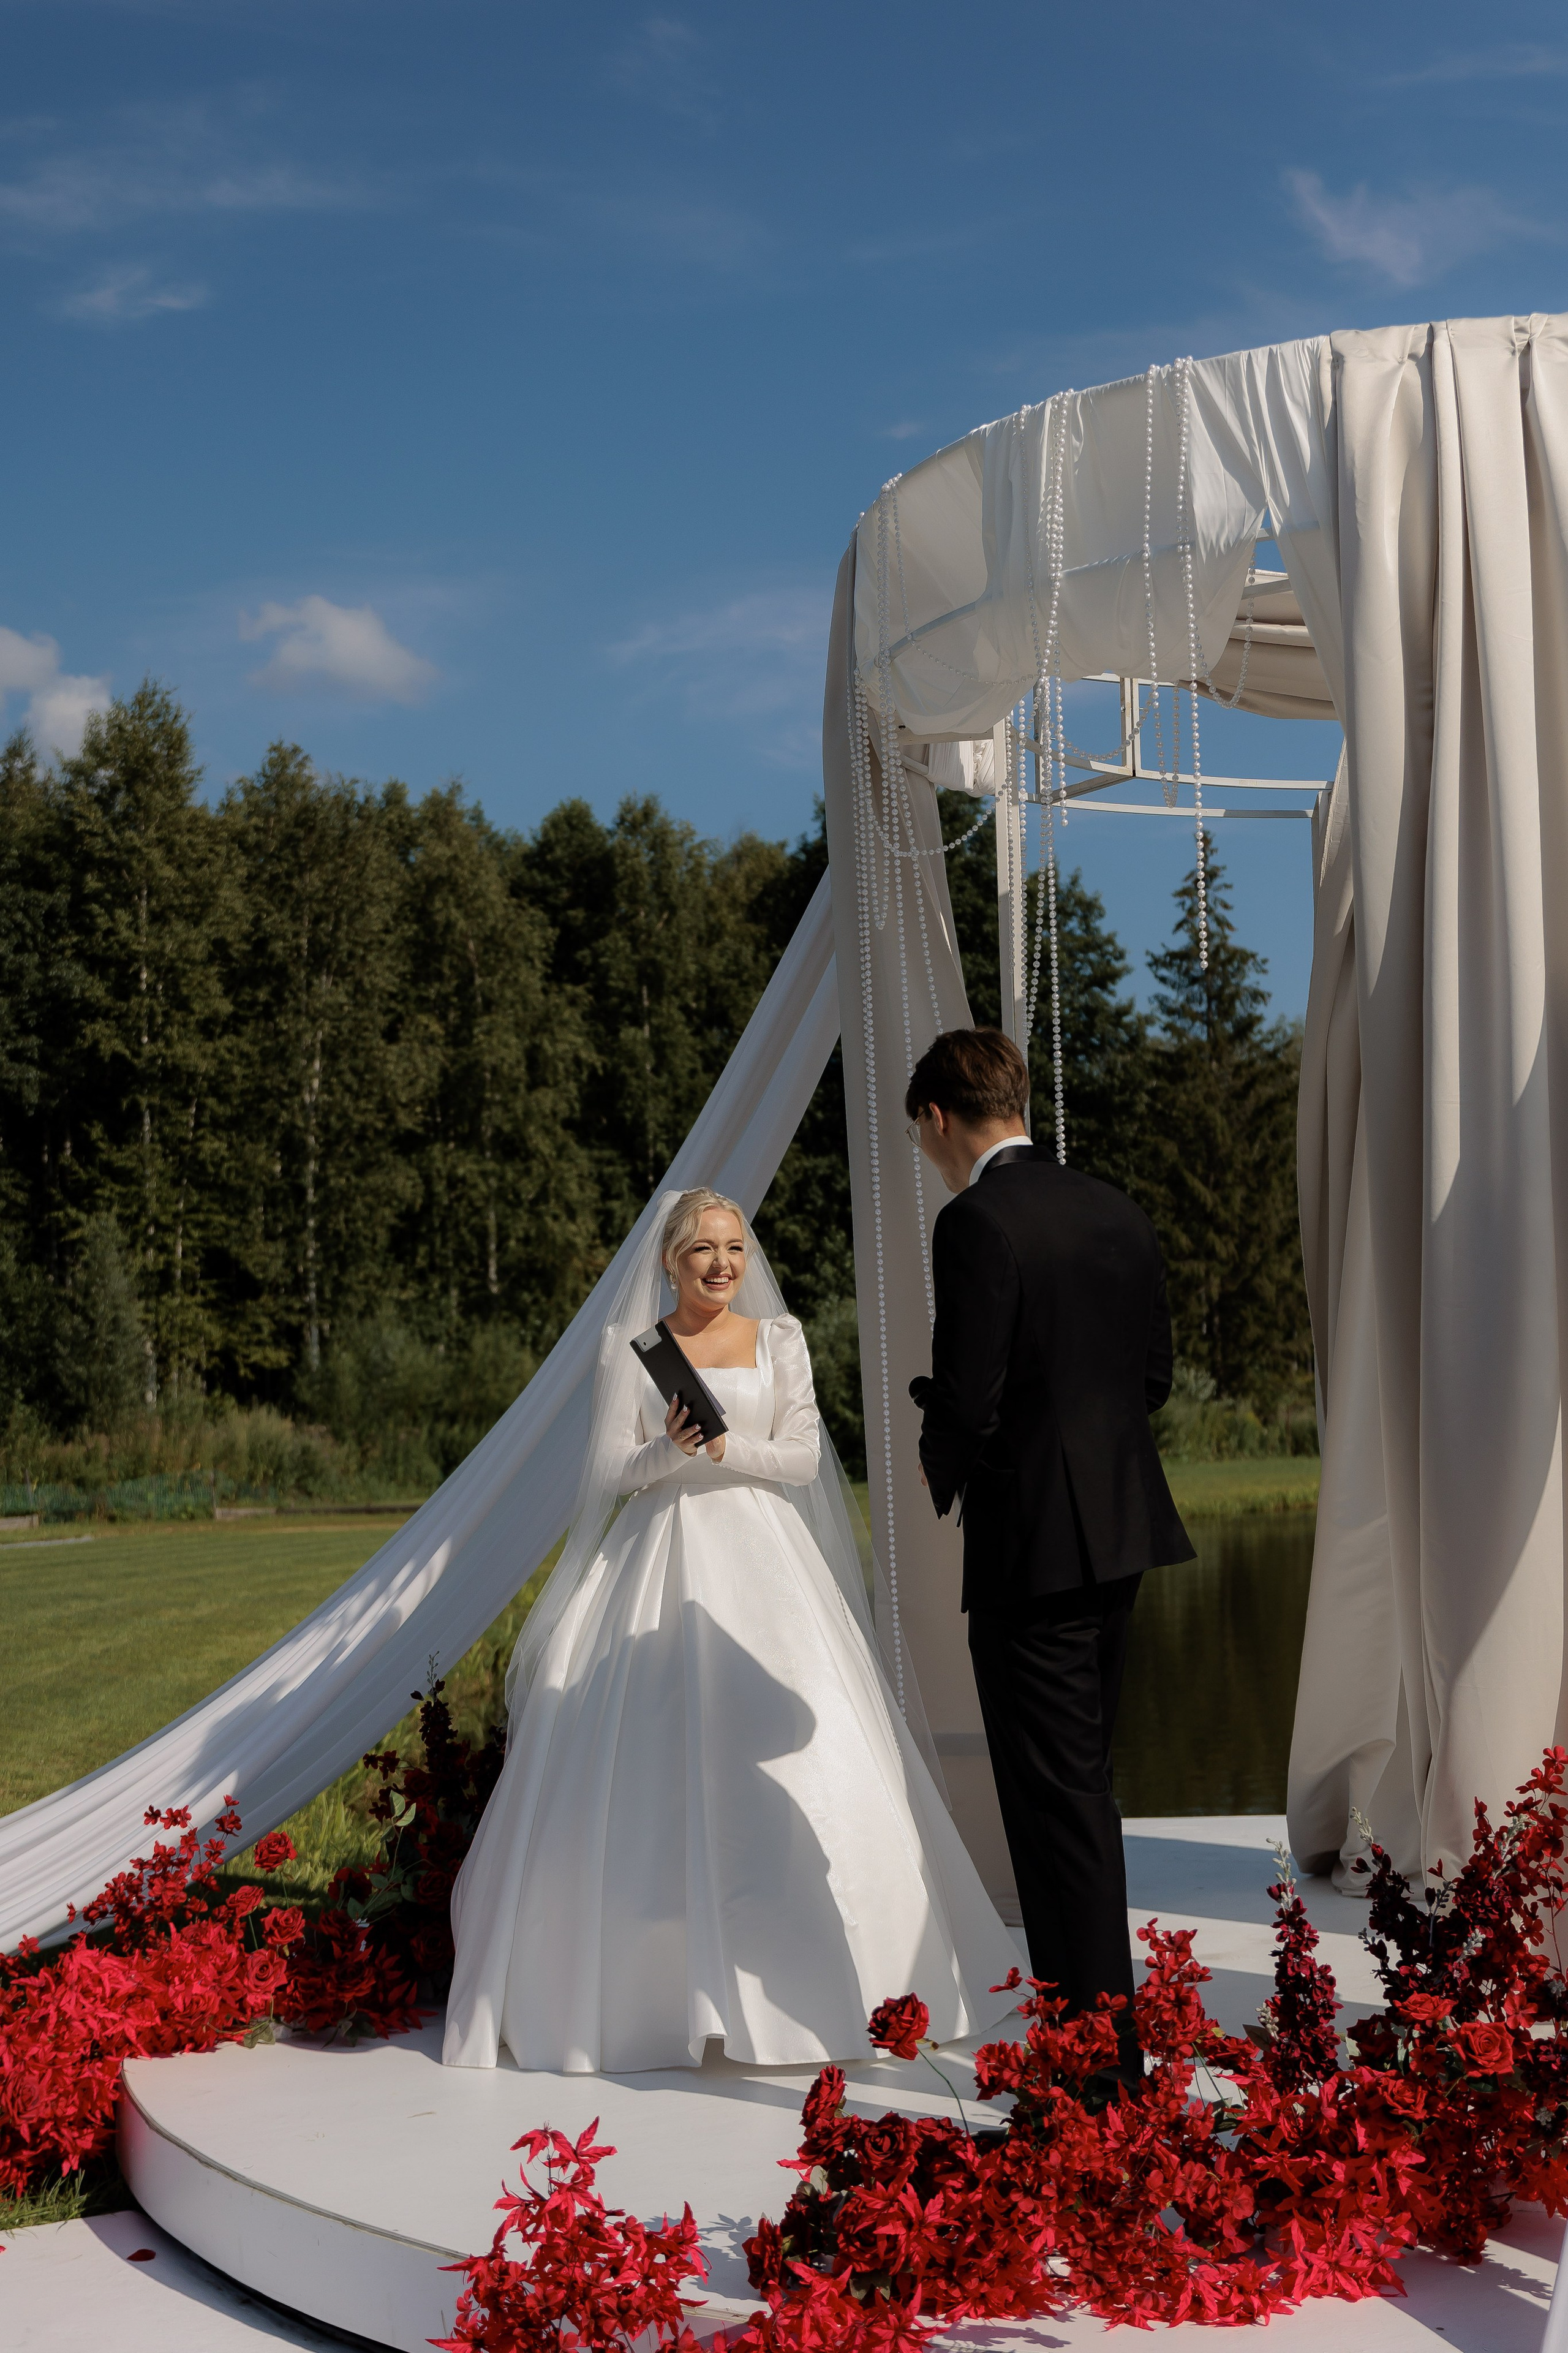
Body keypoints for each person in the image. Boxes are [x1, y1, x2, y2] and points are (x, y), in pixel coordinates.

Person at [443, 1185, 1021, 2076]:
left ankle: (832, 1986)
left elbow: (801, 1456)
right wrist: (669, 1450)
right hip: (658, 1558)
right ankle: (645, 1996)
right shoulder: (633, 1348)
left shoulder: (778, 1338)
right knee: (648, 1752)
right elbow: (609, 1471)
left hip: (764, 1556)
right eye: (703, 1249)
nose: (722, 1264)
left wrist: (722, 1448)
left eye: (735, 1248)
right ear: (669, 1260)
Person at [906, 1030, 1193, 2091]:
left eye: (922, 1133)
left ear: (939, 1117)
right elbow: (1153, 1377)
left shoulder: (974, 1220)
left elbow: (970, 1396)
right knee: (1080, 1794)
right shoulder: (1117, 1208)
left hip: (1033, 1549)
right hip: (1120, 1535)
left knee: (1051, 1807)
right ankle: (1095, 2062)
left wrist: (939, 1452)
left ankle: (1099, 2078)